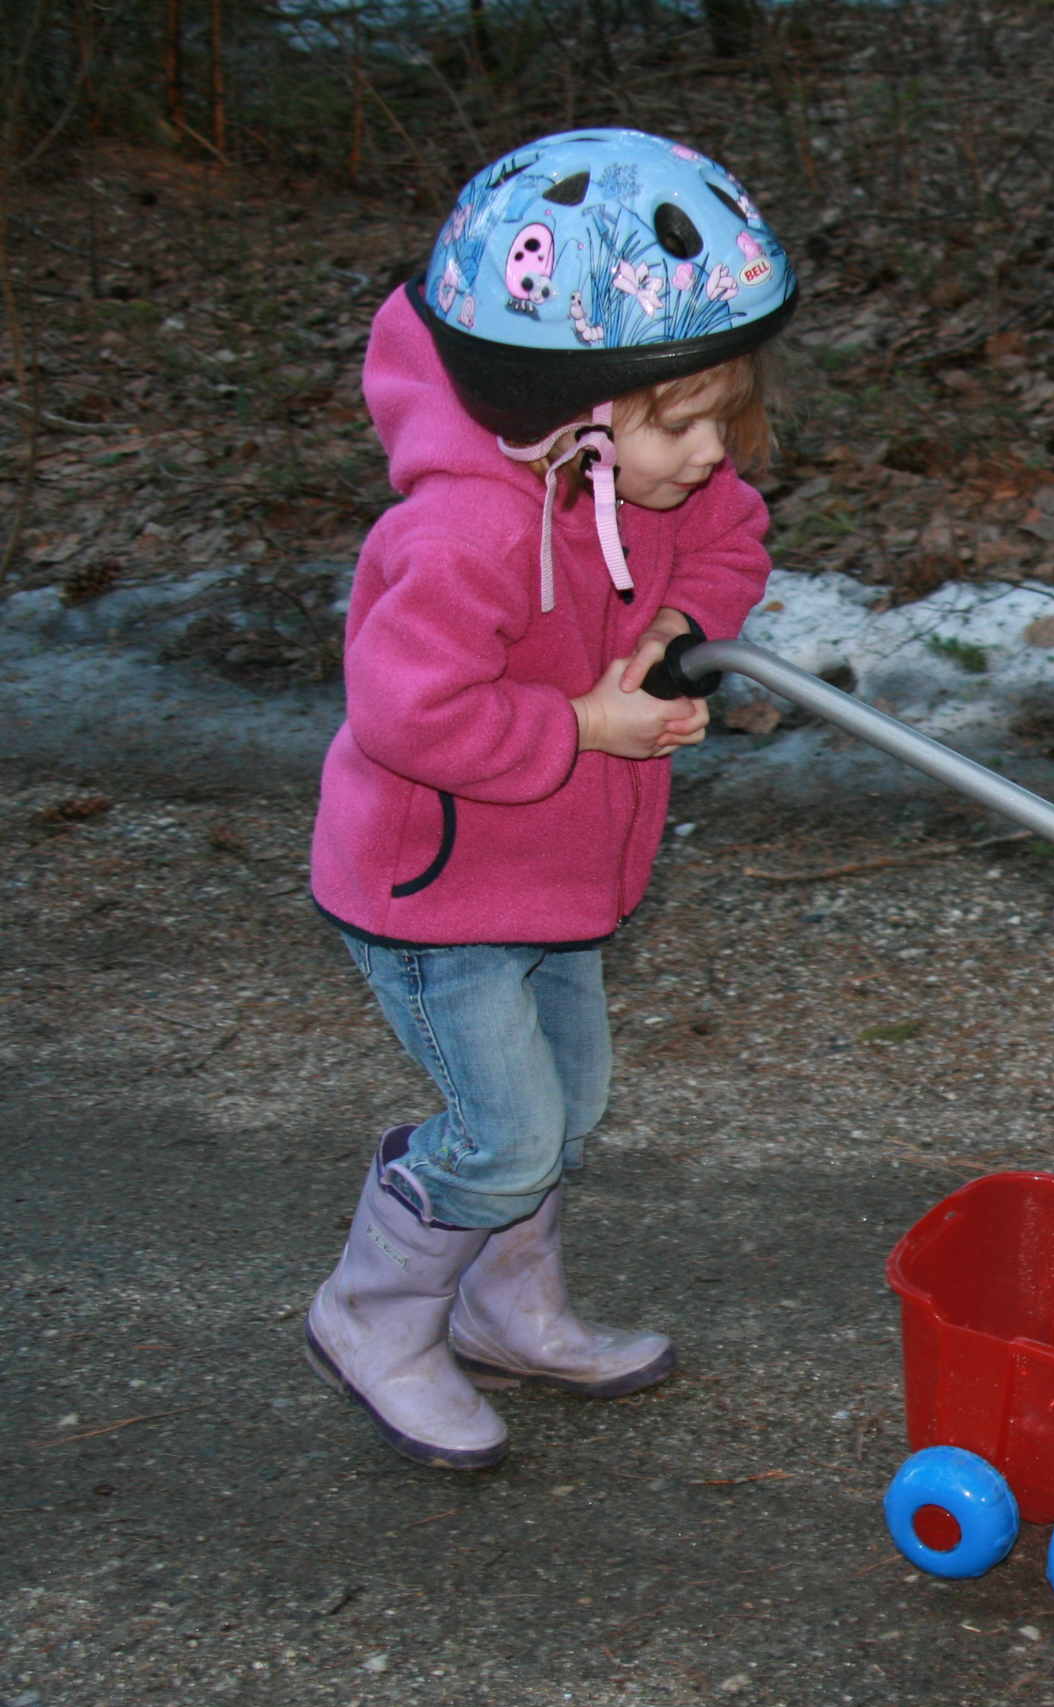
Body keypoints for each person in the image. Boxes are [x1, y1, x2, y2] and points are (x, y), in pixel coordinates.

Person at [302, 128, 798, 1469]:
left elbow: (732, 538)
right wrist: (584, 721)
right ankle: (371, 1318)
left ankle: (504, 1308)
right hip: (434, 895)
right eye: (679, 423)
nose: (709, 453)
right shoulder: (461, 533)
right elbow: (408, 713)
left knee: (562, 1117)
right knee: (505, 1134)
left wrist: (679, 623)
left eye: (722, 416)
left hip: (562, 879)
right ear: (568, 411)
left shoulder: (656, 481)